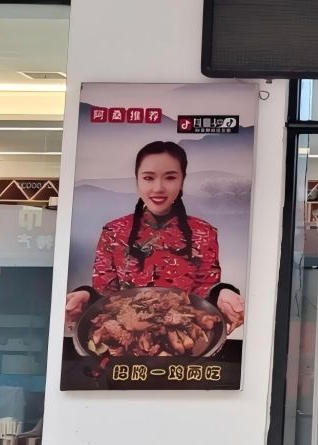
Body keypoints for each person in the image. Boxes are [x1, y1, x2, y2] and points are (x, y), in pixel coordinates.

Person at [64, 140, 244, 331]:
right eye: (148, 178)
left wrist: (223, 292)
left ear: (182, 181)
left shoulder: (204, 232)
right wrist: (86, 295)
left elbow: (204, 296)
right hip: (127, 336)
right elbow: (105, 296)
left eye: (170, 177)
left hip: (185, 334)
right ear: (137, 181)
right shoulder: (113, 231)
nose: (158, 187)